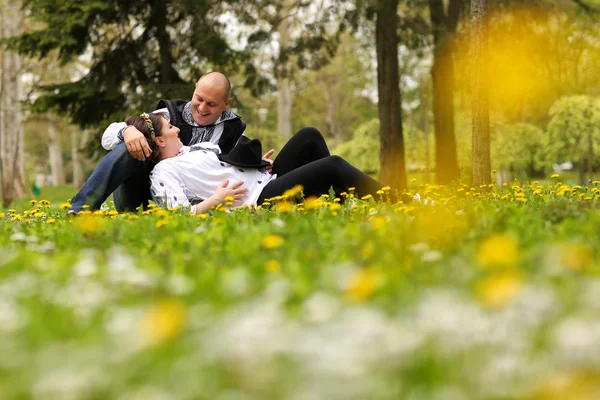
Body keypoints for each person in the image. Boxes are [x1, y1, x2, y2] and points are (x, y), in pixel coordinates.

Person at [126, 112, 387, 214]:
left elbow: (223, 166)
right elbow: (179, 215)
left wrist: (255, 164)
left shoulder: (188, 151)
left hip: (265, 178)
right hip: (259, 198)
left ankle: (332, 208)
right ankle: (399, 199)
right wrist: (216, 199)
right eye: (171, 127)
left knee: (310, 135)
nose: (177, 130)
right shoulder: (163, 171)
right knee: (333, 165)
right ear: (159, 141)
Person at [69, 71, 250, 213]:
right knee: (129, 147)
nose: (202, 108)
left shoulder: (232, 129)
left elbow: (233, 166)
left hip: (193, 203)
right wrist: (127, 130)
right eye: (199, 99)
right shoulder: (167, 115)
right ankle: (80, 210)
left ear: (226, 104)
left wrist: (256, 164)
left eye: (211, 104)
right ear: (194, 90)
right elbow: (107, 137)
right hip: (139, 196)